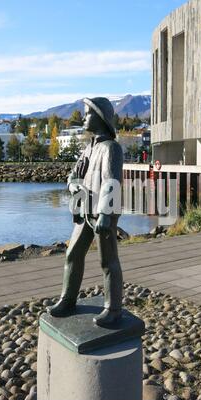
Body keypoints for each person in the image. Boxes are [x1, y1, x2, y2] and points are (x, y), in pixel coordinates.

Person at [48, 98, 124, 327]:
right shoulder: (88, 148)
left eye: (87, 113)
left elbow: (112, 182)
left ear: (100, 117)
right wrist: (73, 185)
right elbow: (72, 176)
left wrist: (105, 215)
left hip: (103, 214)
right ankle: (68, 299)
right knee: (72, 254)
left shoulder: (111, 148)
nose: (83, 118)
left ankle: (113, 308)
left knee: (108, 261)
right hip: (84, 211)